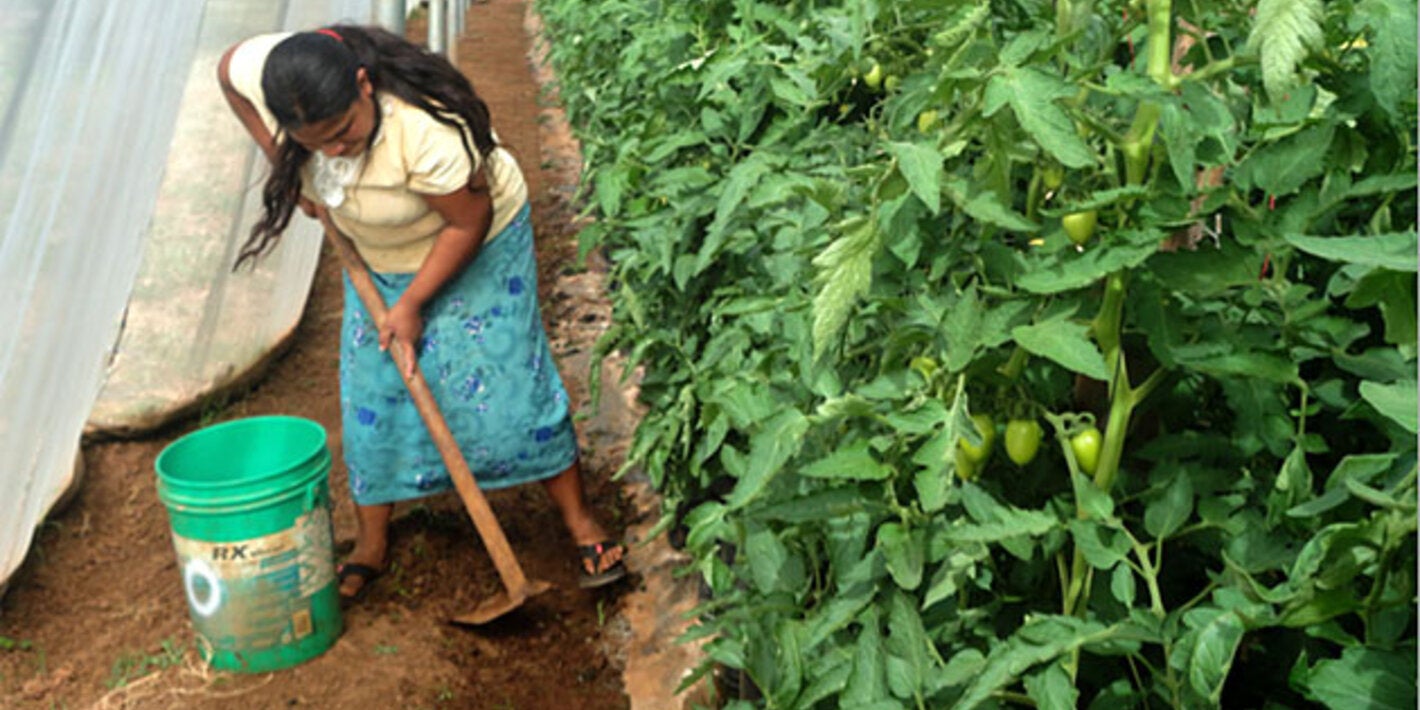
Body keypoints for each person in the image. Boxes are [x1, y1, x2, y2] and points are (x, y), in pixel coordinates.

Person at [216, 25, 626, 601]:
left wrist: (410, 306)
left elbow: (468, 222)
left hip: (476, 244)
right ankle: (371, 543)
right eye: (315, 143)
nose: (333, 151)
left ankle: (580, 520)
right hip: (376, 259)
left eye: (342, 134)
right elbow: (228, 71)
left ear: (364, 85)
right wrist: (289, 166)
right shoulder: (274, 75)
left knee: (507, 385)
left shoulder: (424, 129)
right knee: (375, 394)